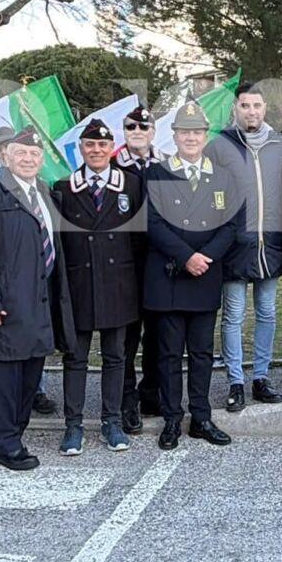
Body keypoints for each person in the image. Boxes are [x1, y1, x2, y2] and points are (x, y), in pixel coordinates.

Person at [0, 125, 76, 469]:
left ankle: (17, 433)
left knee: (30, 375)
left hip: (40, 300)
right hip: (7, 303)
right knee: (7, 380)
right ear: (6, 158)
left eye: (34, 154)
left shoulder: (43, 191)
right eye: (21, 153)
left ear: (41, 160)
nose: (28, 159)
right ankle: (4, 444)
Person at [143, 99, 242, 449]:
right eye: (184, 132)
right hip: (169, 276)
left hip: (205, 275)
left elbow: (231, 225)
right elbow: (152, 222)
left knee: (201, 353)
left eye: (197, 132)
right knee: (169, 354)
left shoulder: (222, 177)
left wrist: (205, 257)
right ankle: (172, 419)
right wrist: (187, 257)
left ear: (205, 135)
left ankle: (201, 417)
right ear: (174, 135)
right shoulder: (157, 173)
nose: (190, 138)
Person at [50, 119, 145, 456]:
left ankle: (112, 421)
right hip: (79, 285)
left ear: (111, 148)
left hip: (119, 283)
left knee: (116, 356)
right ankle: (73, 425)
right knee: (75, 358)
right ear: (81, 149)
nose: (96, 150)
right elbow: (60, 242)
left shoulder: (131, 184)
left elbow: (140, 238)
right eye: (90, 145)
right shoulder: (63, 188)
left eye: (103, 145)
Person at [212, 83, 282, 411]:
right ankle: (235, 381)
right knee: (233, 315)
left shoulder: (279, 144)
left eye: (257, 105)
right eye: (245, 105)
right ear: (236, 109)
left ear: (264, 109)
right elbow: (212, 193)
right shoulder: (220, 144)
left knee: (267, 312)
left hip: (269, 244)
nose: (252, 111)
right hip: (234, 245)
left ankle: (261, 377)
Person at [114, 103, 163, 430]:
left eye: (143, 127)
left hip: (158, 261)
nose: (137, 132)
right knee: (127, 336)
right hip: (125, 262)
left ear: (153, 132)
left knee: (157, 334)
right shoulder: (112, 166)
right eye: (131, 127)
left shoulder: (166, 164)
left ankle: (152, 392)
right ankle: (126, 400)